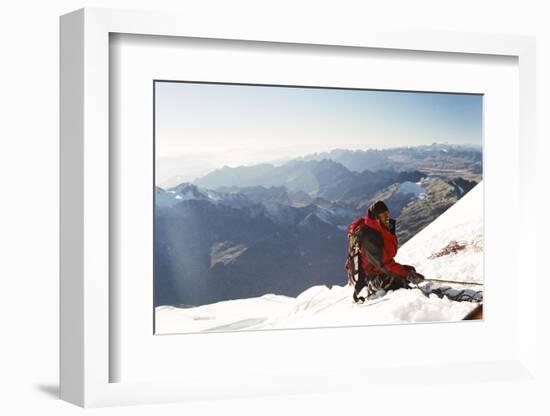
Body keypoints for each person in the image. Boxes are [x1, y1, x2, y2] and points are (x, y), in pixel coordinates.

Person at [351, 200, 425, 303]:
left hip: (379, 270)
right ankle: (373, 291)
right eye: (383, 215)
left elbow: (386, 261)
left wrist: (407, 273)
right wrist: (406, 274)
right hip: (372, 277)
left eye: (387, 214)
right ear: (376, 218)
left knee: (409, 271)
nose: (387, 218)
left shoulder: (378, 229)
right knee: (400, 281)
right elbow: (384, 264)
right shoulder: (369, 238)